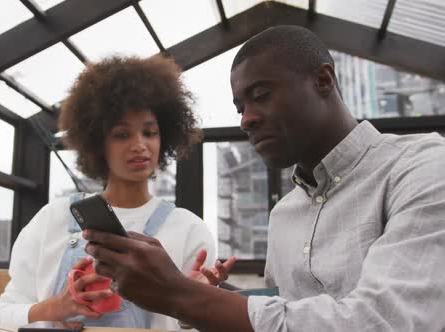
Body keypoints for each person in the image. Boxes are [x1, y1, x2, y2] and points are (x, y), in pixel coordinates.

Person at [83, 25, 445, 332]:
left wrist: (180, 295)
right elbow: (288, 307)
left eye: (261, 96)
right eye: (240, 108)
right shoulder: (283, 214)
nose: (246, 120)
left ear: (323, 80)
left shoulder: (421, 168)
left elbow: (380, 320)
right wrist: (217, 292)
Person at [0, 55, 236, 330]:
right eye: (122, 135)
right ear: (98, 143)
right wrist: (56, 309)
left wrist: (191, 308)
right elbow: (5, 314)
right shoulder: (53, 219)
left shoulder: (188, 229)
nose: (139, 145)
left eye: (150, 133)